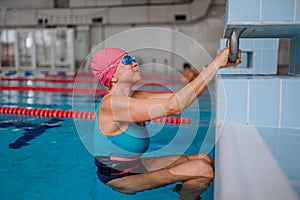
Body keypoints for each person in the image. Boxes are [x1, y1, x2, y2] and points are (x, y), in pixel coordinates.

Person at [91, 47, 241, 200]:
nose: (135, 63)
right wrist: (216, 64)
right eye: (127, 61)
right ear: (113, 76)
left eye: (133, 58)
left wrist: (213, 68)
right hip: (118, 178)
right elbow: (173, 107)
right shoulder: (112, 105)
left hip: (135, 166)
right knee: (203, 169)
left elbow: (180, 98)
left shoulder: (136, 97)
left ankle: (184, 191)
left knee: (204, 159)